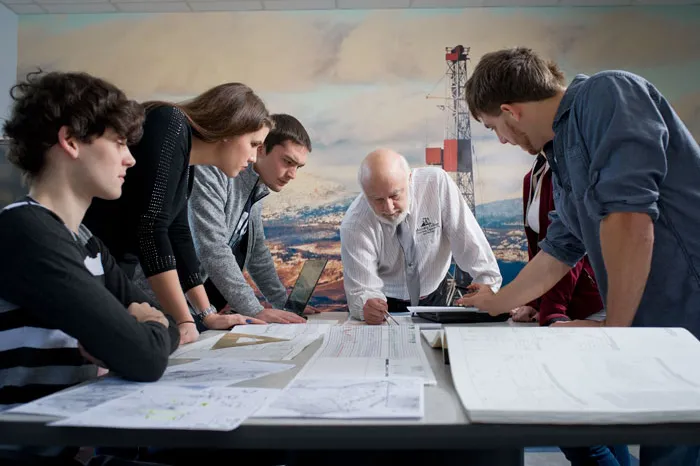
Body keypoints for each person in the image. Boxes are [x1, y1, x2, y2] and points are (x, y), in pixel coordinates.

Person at [461, 46, 700, 466]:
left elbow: (629, 217)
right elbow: (560, 248)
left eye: (493, 127)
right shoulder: (561, 152)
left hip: (688, 313)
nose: (500, 139)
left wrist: (614, 329)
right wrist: (497, 303)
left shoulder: (607, 93)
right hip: (658, 327)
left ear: (510, 110)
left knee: (673, 452)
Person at [0, 71, 180, 464]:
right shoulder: (24, 232)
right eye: (118, 142)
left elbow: (166, 329)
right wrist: (144, 330)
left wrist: (146, 328)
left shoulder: (86, 241)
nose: (130, 158)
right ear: (70, 141)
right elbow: (146, 357)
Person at [83, 83, 268, 344]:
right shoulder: (170, 123)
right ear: (231, 128)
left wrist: (207, 315)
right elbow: (150, 228)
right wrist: (184, 320)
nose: (252, 157)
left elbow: (178, 234)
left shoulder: (186, 157)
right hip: (90, 269)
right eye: (253, 144)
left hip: (111, 273)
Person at [340, 148, 502, 325]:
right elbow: (360, 290)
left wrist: (488, 286)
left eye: (395, 195)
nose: (388, 207)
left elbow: (470, 244)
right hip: (386, 305)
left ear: (409, 178)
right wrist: (366, 305)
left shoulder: (436, 184)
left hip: (434, 294)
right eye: (377, 200)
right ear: (364, 193)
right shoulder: (355, 223)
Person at [189, 113, 312, 324]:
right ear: (261, 148)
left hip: (196, 307)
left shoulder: (255, 186)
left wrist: (282, 303)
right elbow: (212, 248)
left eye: (298, 167)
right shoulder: (214, 172)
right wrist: (255, 310)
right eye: (287, 161)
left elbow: (256, 252)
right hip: (162, 300)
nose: (293, 174)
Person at [511, 151, 605, 327]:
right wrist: (533, 301)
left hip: (588, 304)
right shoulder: (533, 177)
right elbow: (538, 249)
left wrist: (553, 308)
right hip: (559, 305)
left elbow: (570, 245)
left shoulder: (567, 174)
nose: (503, 139)